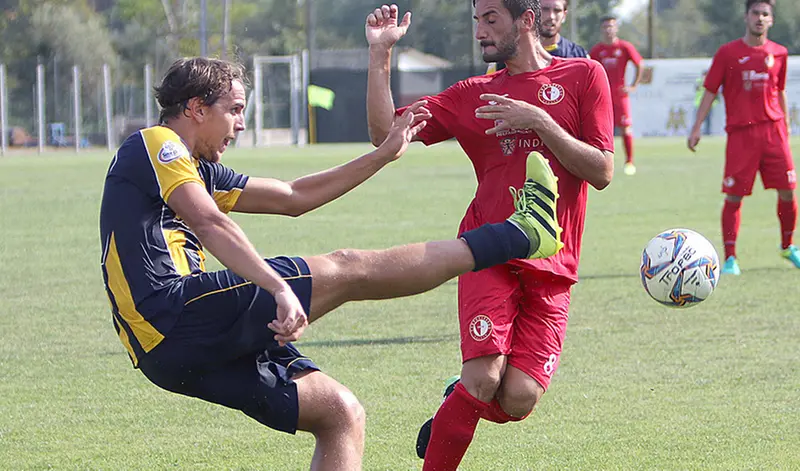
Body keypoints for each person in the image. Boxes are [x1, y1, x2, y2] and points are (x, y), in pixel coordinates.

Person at [99, 57, 565, 471]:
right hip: (172, 314)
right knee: (347, 269)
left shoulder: (199, 169)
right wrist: (277, 286)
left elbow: (294, 196)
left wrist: (382, 155)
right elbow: (209, 223)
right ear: (197, 109)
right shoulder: (157, 143)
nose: (241, 124)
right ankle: (518, 234)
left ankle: (518, 234)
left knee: (340, 413)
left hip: (170, 349)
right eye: (235, 110)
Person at [365, 2, 614, 469]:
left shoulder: (584, 75)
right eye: (476, 20)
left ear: (526, 19)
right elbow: (385, 134)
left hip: (553, 264)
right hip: (485, 253)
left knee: (518, 397)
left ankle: (454, 403)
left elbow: (601, 170)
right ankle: (463, 402)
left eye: (491, 19)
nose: (480, 31)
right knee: (483, 377)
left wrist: (540, 121)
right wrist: (380, 56)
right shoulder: (473, 93)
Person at [687, 0, 800, 275]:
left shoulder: (780, 53)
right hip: (741, 133)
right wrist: (696, 127)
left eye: (765, 14)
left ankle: (787, 246)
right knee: (734, 196)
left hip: (774, 130)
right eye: (755, 13)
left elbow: (780, 90)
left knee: (788, 190)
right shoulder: (728, 53)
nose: (760, 18)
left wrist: (786, 124)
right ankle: (730, 258)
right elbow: (710, 90)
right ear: (746, 17)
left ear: (771, 20)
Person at [590, 15, 643, 176]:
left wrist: (633, 85)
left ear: (616, 28)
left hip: (620, 96)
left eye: (611, 26)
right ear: (601, 29)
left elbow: (639, 64)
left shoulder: (624, 47)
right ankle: (601, 163)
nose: (608, 29)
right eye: (605, 26)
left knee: (626, 128)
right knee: (600, 130)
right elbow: (589, 69)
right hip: (602, 96)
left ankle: (629, 161)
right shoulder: (597, 50)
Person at [486, 0, 588, 74]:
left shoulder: (579, 56)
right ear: (532, 13)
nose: (551, 16)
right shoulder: (506, 55)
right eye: (545, 9)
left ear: (564, 15)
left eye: (557, 10)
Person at [694, 69, 718, 136]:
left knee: (708, 119)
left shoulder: (711, 81)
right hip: (699, 103)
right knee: (699, 119)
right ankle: (697, 132)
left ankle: (707, 132)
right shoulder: (699, 81)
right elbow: (696, 88)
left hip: (709, 104)